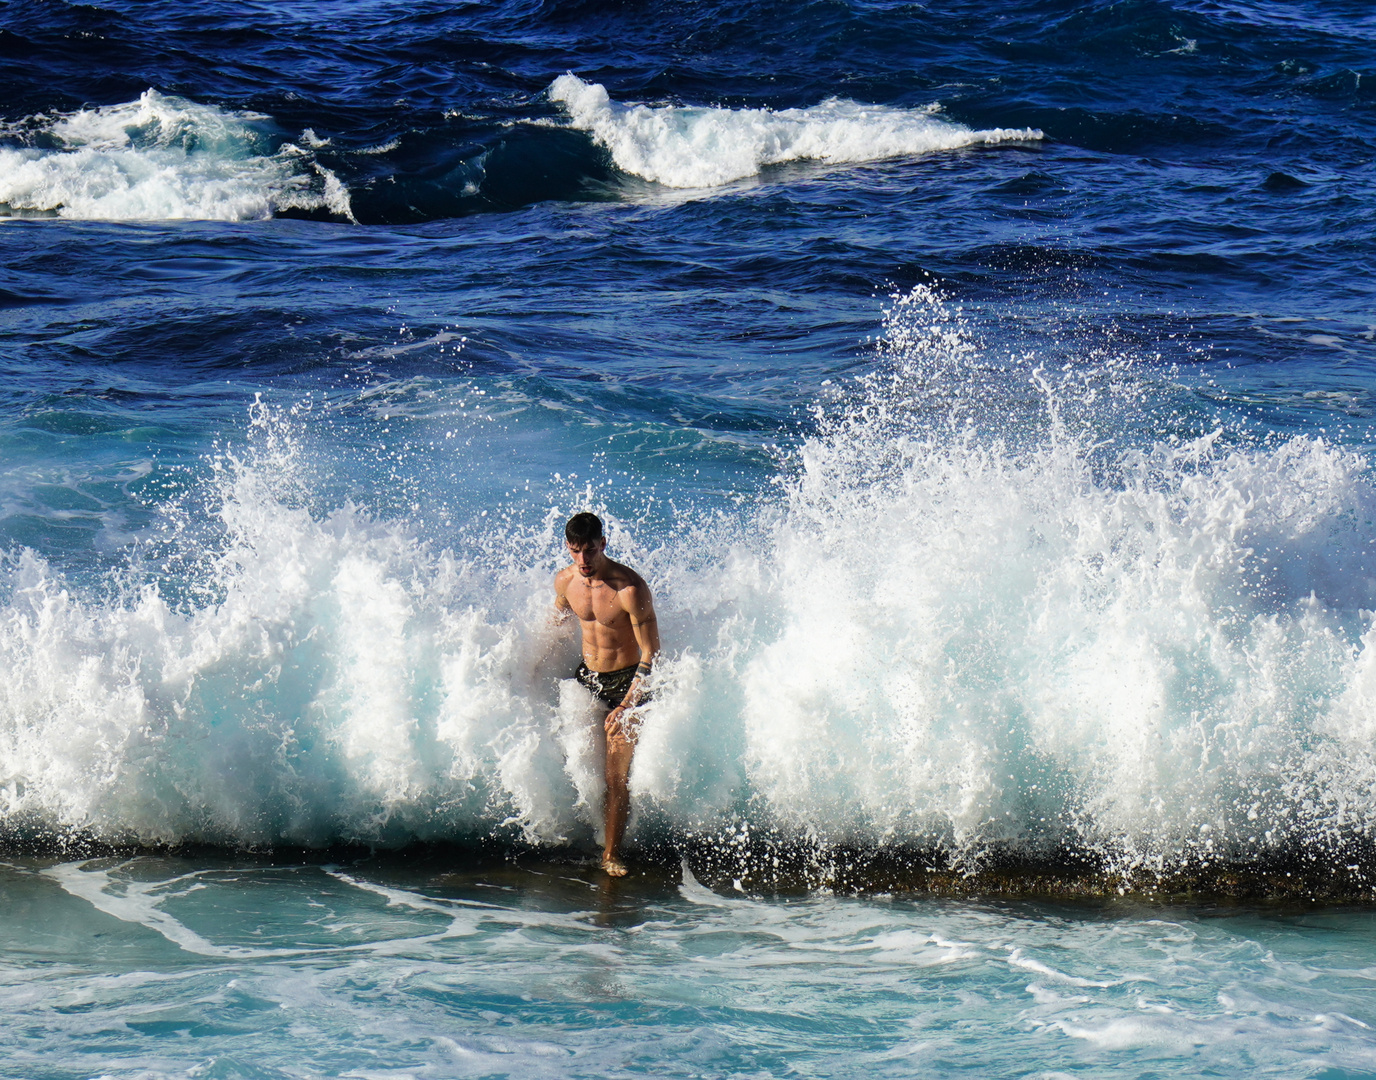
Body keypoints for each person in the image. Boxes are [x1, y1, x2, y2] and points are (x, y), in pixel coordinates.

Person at [553, 512, 660, 877]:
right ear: (568, 548)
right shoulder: (565, 582)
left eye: (589, 550)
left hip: (627, 685)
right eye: (575, 551)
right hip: (588, 681)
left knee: (616, 775)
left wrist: (629, 704)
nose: (583, 560)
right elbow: (556, 626)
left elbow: (651, 652)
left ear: (603, 543)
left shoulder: (629, 588)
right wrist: (529, 667)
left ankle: (610, 854)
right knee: (573, 757)